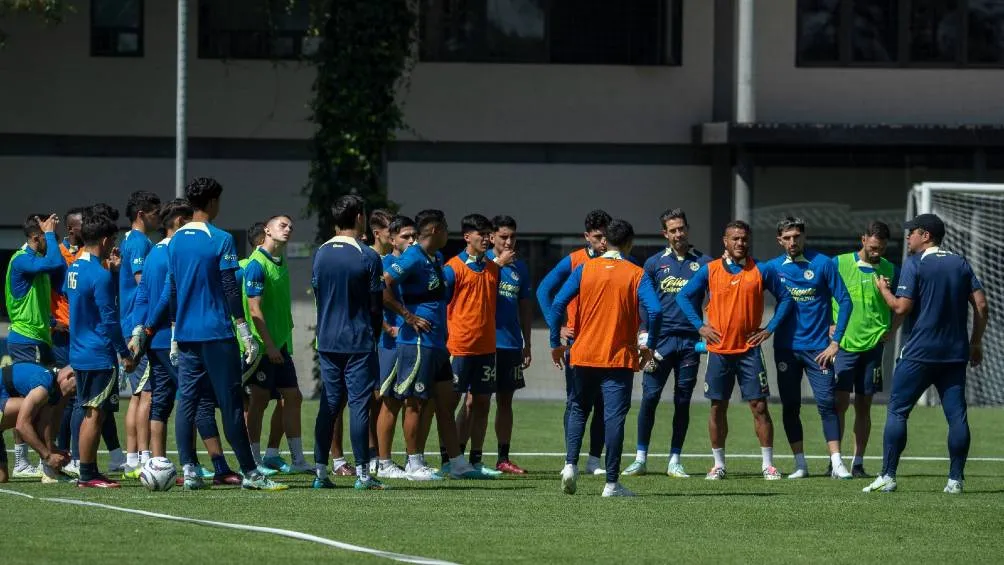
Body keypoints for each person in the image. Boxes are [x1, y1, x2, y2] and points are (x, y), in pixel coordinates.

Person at [139, 177, 286, 491]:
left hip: (187, 335)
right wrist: (244, 330)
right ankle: (251, 474)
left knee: (187, 401)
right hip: (218, 334)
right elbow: (230, 287)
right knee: (230, 403)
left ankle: (190, 470)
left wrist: (176, 331)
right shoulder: (220, 238)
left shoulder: (175, 241)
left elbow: (174, 289)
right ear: (213, 202)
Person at [865, 213, 988, 494]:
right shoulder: (960, 262)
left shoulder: (914, 264)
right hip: (955, 355)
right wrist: (976, 343)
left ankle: (888, 476)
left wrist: (884, 289)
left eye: (912, 232)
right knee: (957, 417)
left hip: (919, 353)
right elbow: (981, 305)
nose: (908, 237)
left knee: (897, 411)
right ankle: (955, 480)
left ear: (926, 236)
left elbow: (901, 308)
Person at [549, 219, 661, 497]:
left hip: (583, 354)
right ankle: (611, 483)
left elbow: (557, 303)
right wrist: (649, 346)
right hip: (617, 358)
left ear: (605, 241)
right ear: (629, 243)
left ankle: (570, 466)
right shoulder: (636, 273)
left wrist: (555, 342)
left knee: (577, 410)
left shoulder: (585, 268)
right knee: (614, 419)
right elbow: (656, 311)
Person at [132, 199, 239, 484]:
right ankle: (215, 466)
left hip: (157, 342)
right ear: (180, 221)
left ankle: (157, 463)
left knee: (162, 403)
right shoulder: (176, 250)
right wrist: (152, 327)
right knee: (199, 401)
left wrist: (139, 329)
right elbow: (170, 293)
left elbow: (141, 295)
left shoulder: (155, 251)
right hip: (176, 339)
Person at [677, 220, 793, 481]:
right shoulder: (710, 270)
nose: (740, 243)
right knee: (718, 407)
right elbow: (683, 296)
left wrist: (769, 328)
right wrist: (700, 327)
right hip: (718, 350)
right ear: (725, 241)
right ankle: (718, 465)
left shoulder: (761, 270)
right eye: (735, 239)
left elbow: (786, 298)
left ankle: (768, 465)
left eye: (744, 238)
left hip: (749, 351)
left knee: (759, 407)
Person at [380, 209, 490, 480]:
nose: (448, 233)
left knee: (443, 403)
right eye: (445, 228)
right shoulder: (412, 257)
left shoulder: (437, 257)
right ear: (434, 231)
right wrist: (408, 316)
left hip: (437, 343)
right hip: (417, 343)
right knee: (414, 402)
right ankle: (413, 464)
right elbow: (383, 284)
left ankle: (456, 462)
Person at [623, 208, 711, 479]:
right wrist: (643, 335)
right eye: (672, 230)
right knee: (649, 398)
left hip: (689, 343)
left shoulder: (705, 263)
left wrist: (709, 330)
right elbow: (643, 304)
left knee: (682, 401)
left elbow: (716, 299)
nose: (678, 234)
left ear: (687, 229)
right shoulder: (652, 264)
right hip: (658, 342)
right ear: (665, 233)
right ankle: (640, 459)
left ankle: (675, 459)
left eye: (681, 228)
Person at [768, 216, 853, 479]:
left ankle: (837, 463)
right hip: (785, 349)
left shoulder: (823, 264)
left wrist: (835, 341)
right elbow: (746, 285)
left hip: (819, 349)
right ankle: (800, 464)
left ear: (804, 237)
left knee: (827, 404)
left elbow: (845, 301)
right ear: (779, 240)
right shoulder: (771, 268)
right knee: (791, 406)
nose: (793, 241)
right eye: (787, 237)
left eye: (797, 236)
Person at [310, 195, 387, 490]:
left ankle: (320, 472)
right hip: (358, 341)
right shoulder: (367, 256)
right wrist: (374, 337)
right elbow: (376, 307)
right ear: (359, 217)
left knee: (329, 405)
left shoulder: (321, 253)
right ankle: (364, 476)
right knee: (358, 406)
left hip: (327, 340)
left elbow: (318, 294)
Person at [65, 210, 137, 488]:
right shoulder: (99, 274)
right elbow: (110, 319)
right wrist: (125, 353)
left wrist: (113, 271)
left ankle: (88, 469)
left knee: (89, 412)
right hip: (99, 354)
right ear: (106, 240)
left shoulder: (74, 268)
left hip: (79, 352)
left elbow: (77, 300)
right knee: (96, 414)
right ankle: (87, 473)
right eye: (114, 239)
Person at [536, 209, 611, 475]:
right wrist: (557, 328)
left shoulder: (618, 262)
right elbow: (544, 291)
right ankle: (572, 461)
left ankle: (594, 460)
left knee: (604, 402)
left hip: (609, 341)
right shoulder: (574, 260)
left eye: (607, 236)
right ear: (587, 236)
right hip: (578, 343)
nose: (603, 242)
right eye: (598, 236)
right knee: (577, 401)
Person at [240, 214, 311, 475]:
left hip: (280, 344)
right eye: (282, 225)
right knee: (258, 400)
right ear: (266, 231)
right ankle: (254, 460)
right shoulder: (257, 264)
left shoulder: (280, 262)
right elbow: (254, 308)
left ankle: (295, 459)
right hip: (262, 345)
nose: (288, 229)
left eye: (291, 226)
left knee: (292, 397)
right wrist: (268, 345)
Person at [832, 221, 899, 478]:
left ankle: (858, 462)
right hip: (844, 345)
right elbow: (821, 293)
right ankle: (835, 460)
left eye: (881, 249)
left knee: (864, 405)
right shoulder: (838, 264)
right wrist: (828, 322)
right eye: (873, 247)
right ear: (863, 240)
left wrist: (893, 328)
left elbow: (905, 303)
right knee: (838, 404)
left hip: (873, 347)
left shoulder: (891, 269)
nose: (876, 253)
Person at [444, 214, 504, 477]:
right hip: (459, 348)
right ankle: (449, 460)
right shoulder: (452, 268)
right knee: (450, 403)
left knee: (481, 403)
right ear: (467, 236)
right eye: (482, 233)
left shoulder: (493, 268)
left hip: (487, 348)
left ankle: (476, 460)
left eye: (489, 234)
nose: (487, 239)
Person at [4, 213, 63, 478]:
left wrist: (51, 321)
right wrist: (51, 234)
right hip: (26, 341)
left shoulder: (34, 260)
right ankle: (32, 460)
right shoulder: (21, 261)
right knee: (37, 401)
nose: (49, 244)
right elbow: (55, 261)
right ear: (35, 238)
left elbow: (31, 301)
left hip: (38, 337)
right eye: (46, 239)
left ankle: (31, 461)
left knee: (44, 400)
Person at [484, 215, 531, 474]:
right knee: (472, 401)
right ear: (492, 237)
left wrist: (528, 343)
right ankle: (460, 457)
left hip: (511, 344)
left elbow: (524, 306)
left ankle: (503, 457)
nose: (509, 241)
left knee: (505, 402)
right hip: (483, 343)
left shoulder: (520, 268)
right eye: (503, 236)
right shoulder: (482, 263)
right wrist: (497, 265)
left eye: (512, 236)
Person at [120, 190, 161, 478]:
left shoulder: (133, 241)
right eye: (155, 212)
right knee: (147, 393)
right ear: (141, 214)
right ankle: (146, 457)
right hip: (138, 325)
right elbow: (141, 281)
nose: (159, 218)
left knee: (137, 394)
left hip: (132, 324)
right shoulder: (138, 242)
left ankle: (133, 458)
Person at [372, 215, 416, 479]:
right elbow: (374, 300)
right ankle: (382, 461)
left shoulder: (414, 264)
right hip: (390, 344)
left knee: (412, 401)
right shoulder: (385, 264)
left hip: (412, 343)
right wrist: (388, 328)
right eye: (405, 237)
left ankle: (410, 460)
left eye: (413, 237)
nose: (411, 241)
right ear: (391, 239)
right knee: (388, 401)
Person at [0, 364, 77, 483]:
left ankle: (50, 472)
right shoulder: (45, 383)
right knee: (32, 412)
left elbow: (44, 426)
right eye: (76, 388)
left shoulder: (53, 389)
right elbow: (22, 425)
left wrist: (53, 450)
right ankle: (48, 471)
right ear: (69, 376)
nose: (76, 393)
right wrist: (48, 456)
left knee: (2, 477)